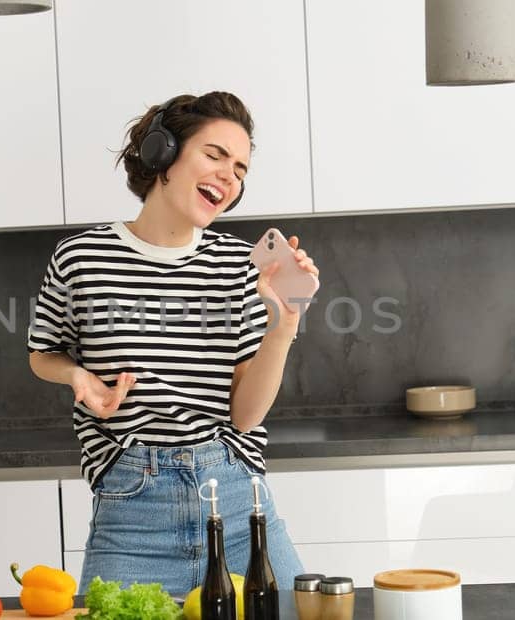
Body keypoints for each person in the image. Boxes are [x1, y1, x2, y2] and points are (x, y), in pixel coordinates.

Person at [26, 91, 319, 595]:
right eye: (215, 155)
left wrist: (283, 325)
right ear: (162, 152)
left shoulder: (240, 265)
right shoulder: (81, 257)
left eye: (242, 169)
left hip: (234, 498)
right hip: (132, 510)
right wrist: (76, 374)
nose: (231, 177)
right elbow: (42, 352)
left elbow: (246, 416)